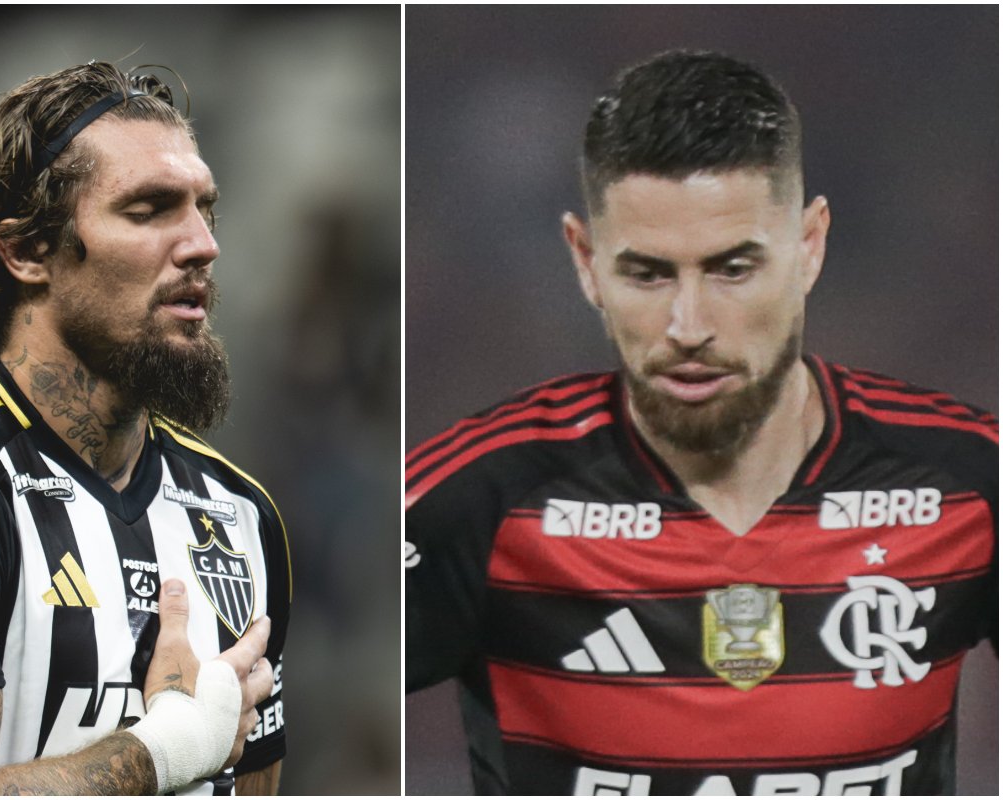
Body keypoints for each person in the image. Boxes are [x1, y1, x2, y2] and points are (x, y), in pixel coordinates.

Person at [405, 50, 996, 795]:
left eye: (732, 269)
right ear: (585, 261)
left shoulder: (969, 482)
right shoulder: (477, 500)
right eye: (648, 274)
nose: (689, 325)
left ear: (808, 246)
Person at [0, 62, 291, 796]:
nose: (202, 244)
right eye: (150, 209)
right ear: (28, 251)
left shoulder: (238, 513)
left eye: (204, 208)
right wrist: (165, 751)